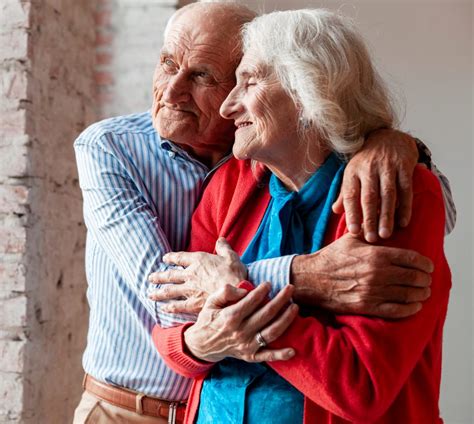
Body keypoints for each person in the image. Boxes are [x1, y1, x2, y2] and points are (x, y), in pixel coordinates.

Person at [73, 3, 454, 423]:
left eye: (207, 76)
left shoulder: (378, 184)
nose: (226, 106)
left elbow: (359, 388)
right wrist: (301, 277)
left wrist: (395, 142)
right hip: (125, 406)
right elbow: (171, 307)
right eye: (167, 63)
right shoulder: (120, 151)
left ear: (309, 92)